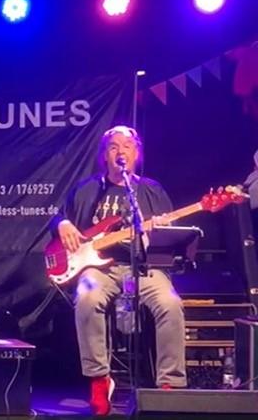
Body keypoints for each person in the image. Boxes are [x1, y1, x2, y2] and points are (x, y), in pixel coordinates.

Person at [50, 125, 186, 416]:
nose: (120, 151)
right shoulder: (87, 189)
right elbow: (58, 216)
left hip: (144, 267)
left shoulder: (150, 190)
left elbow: (169, 235)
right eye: (113, 146)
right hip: (99, 268)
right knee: (87, 298)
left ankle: (169, 385)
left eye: (127, 146)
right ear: (104, 155)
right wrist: (63, 224)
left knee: (170, 303)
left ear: (136, 154)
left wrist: (156, 230)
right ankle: (99, 380)